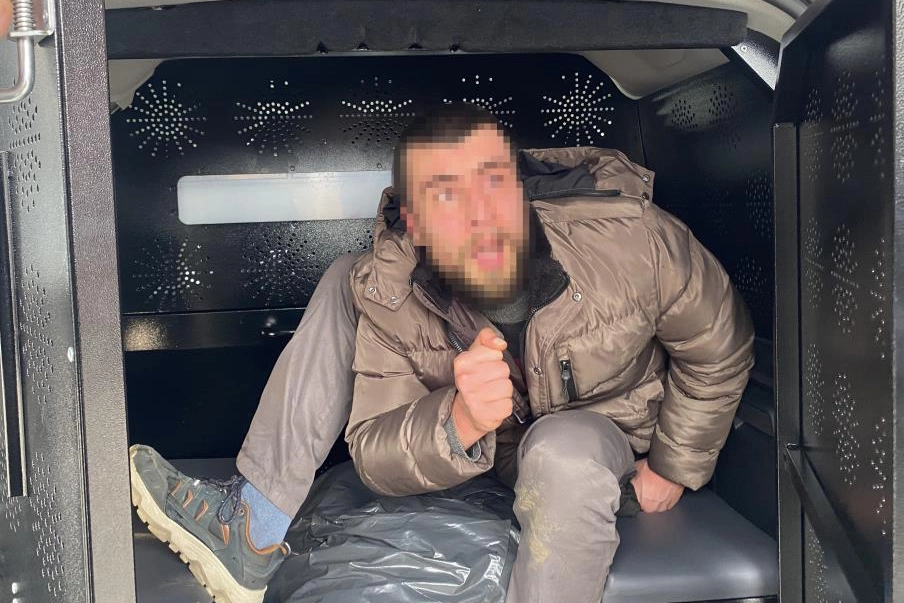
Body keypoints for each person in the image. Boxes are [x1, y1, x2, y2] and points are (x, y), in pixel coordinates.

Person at [129, 103, 753, 603]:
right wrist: (459, 420)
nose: (483, 216)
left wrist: (673, 464)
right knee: (346, 276)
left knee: (562, 448)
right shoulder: (390, 287)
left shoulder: (632, 242)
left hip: (601, 445)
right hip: (487, 454)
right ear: (417, 223)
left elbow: (720, 347)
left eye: (494, 183)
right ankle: (252, 528)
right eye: (448, 195)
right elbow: (374, 450)